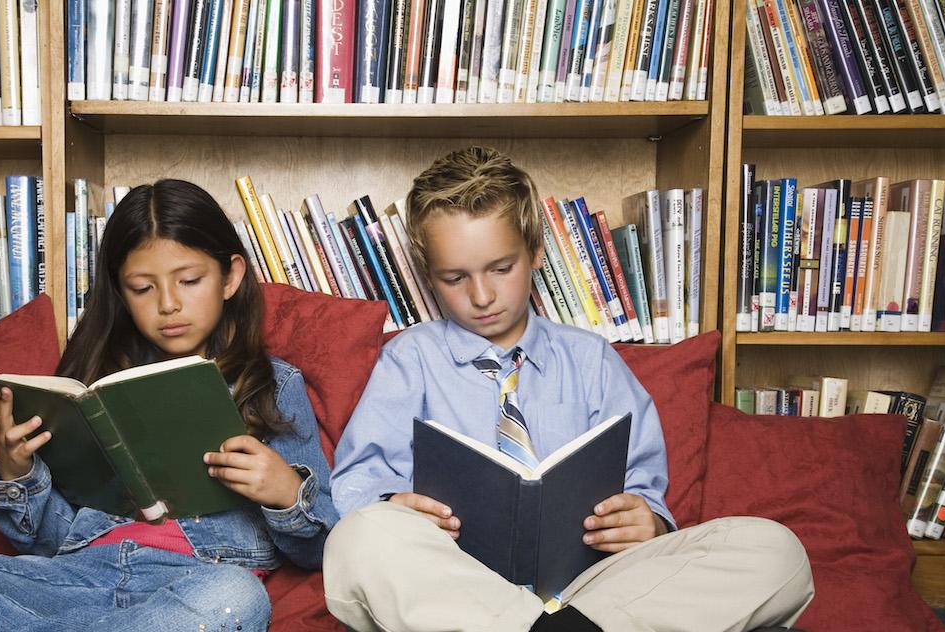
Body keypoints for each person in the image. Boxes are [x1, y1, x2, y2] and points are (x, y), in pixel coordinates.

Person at [324, 147, 814, 632]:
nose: (481, 296)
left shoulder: (591, 358)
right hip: (459, 585)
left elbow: (643, 484)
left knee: (775, 552)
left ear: (536, 251)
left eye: (501, 268)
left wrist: (649, 522)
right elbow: (357, 483)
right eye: (455, 278)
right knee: (359, 538)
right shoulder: (410, 359)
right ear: (429, 275)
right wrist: (393, 506)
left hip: (596, 587)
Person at [0, 179, 338, 632]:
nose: (168, 304)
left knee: (236, 599)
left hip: (193, 584)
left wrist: (285, 492)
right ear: (120, 292)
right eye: (143, 288)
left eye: (189, 280)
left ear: (231, 277)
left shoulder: (274, 384)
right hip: (70, 581)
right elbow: (44, 541)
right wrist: (16, 473)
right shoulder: (89, 385)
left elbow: (319, 547)